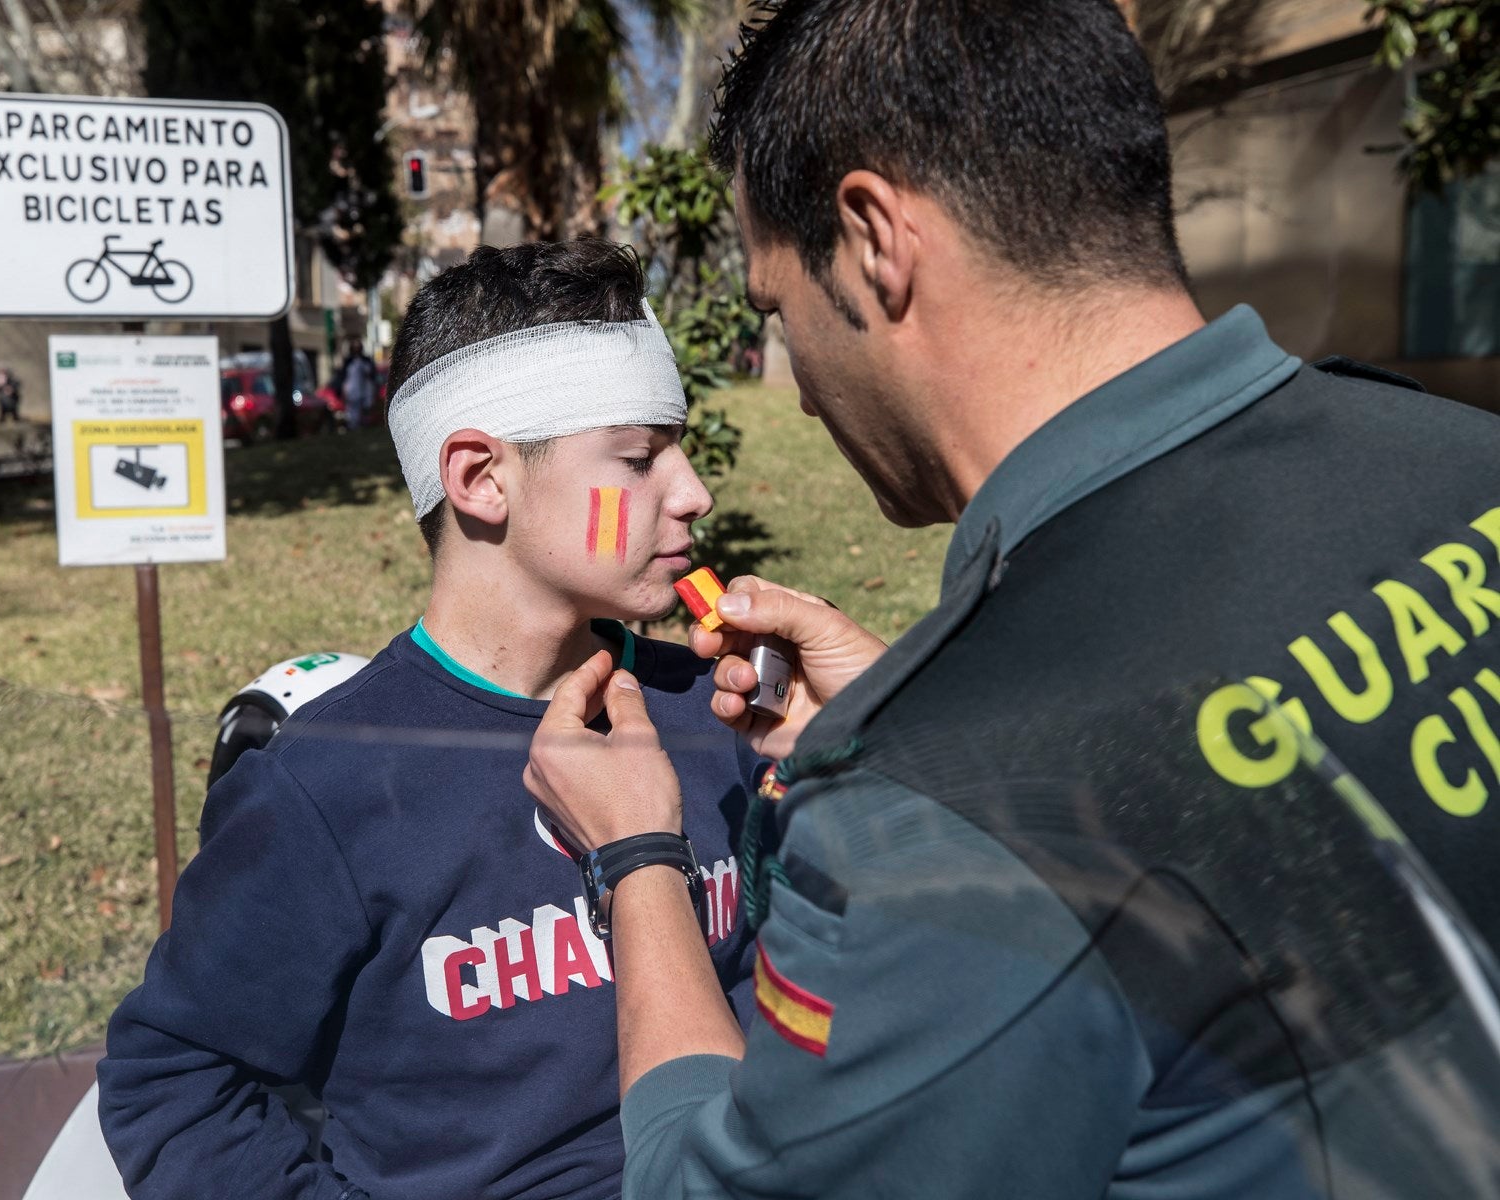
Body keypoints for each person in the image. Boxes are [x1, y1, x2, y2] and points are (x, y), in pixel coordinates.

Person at [523, 0, 1500, 1196]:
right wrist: (919, 717)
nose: (807, 399)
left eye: (781, 316)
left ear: (876, 239)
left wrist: (637, 857)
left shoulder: (943, 816)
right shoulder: (1460, 457)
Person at [98, 239, 763, 1200]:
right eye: (638, 457)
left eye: (681, 447)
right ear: (480, 478)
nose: (693, 490)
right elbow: (173, 1080)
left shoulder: (716, 707)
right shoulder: (329, 783)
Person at [334, 338, 378, 429]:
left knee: (366, 410)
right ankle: (354, 427)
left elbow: (372, 374)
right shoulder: (348, 361)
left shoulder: (366, 360)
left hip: (365, 390)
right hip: (352, 392)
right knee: (353, 413)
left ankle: (365, 426)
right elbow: (343, 377)